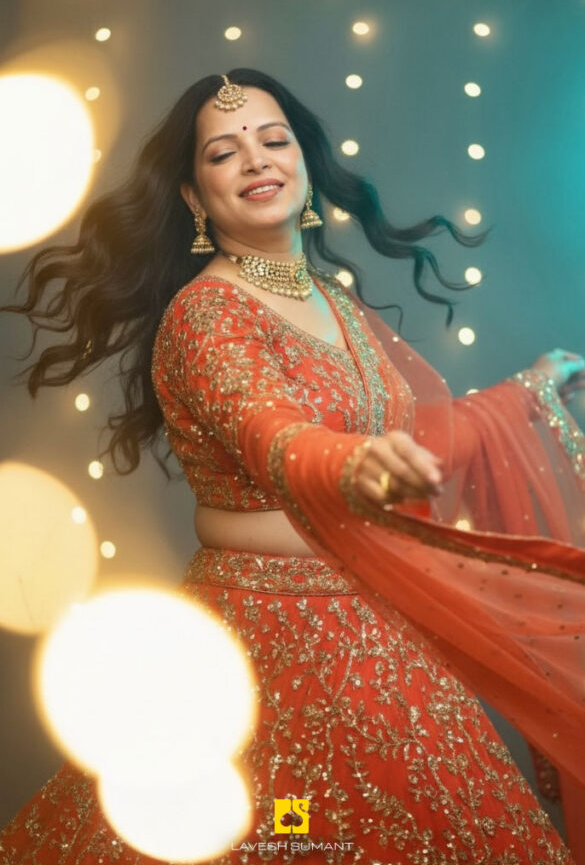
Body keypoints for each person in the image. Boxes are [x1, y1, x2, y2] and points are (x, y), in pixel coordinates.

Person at [1, 68, 585, 865]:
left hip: (382, 625)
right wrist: (350, 468)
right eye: (223, 153)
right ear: (192, 197)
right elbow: (271, 436)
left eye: (273, 140)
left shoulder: (331, 299)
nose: (256, 160)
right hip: (262, 643)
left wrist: (525, 393)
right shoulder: (207, 313)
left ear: (305, 163)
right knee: (285, 835)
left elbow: (413, 441)